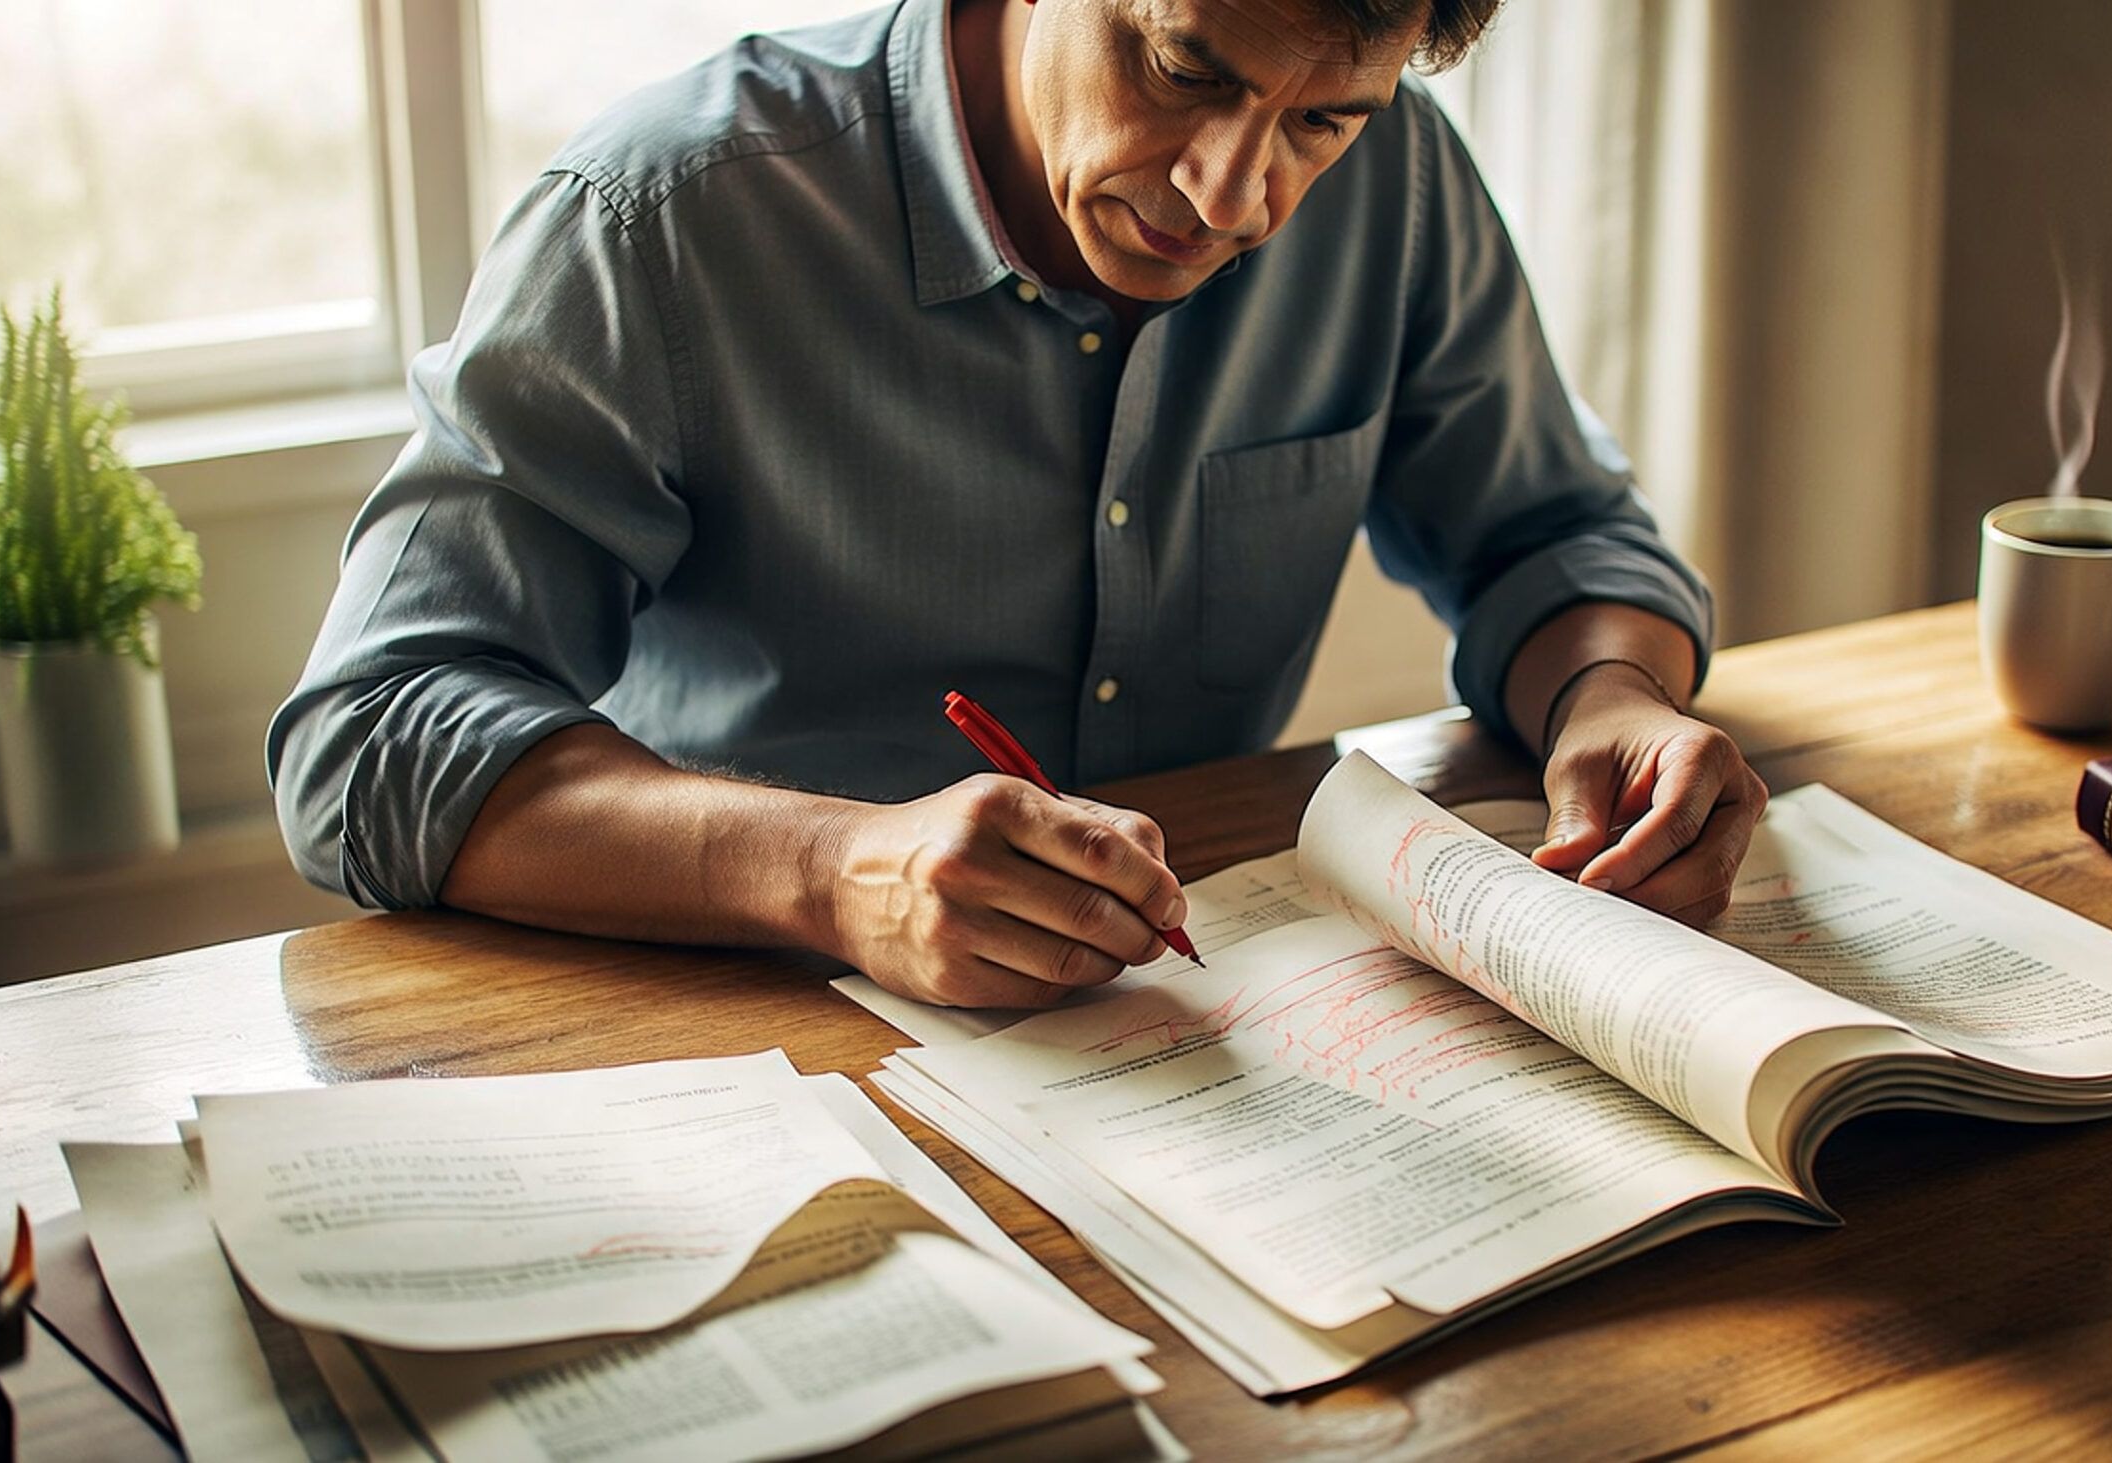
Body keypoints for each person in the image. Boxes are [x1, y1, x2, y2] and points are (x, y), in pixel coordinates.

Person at [269, 0, 1768, 1009]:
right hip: (757, 1039)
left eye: (1323, 124)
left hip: (1210, 1036)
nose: (1236, 197)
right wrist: (834, 875)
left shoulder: (1399, 186)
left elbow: (1550, 532)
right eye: (1186, 70)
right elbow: (372, 733)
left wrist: (1609, 697)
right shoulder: (664, 218)